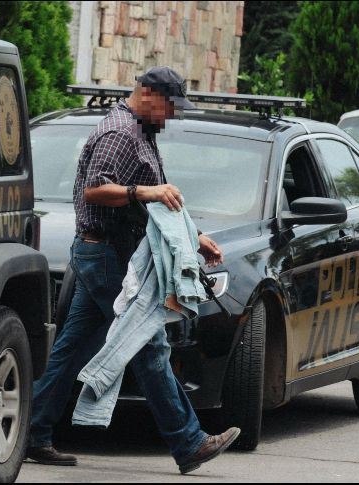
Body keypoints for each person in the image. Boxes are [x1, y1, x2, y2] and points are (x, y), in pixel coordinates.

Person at [26, 66, 240, 475]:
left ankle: (33, 433)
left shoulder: (142, 132)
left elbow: (157, 203)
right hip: (106, 256)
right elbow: (94, 189)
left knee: (71, 349)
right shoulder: (120, 133)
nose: (172, 116)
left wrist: (194, 237)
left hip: (104, 255)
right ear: (146, 94)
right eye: (170, 106)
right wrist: (143, 191)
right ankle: (189, 442)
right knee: (148, 342)